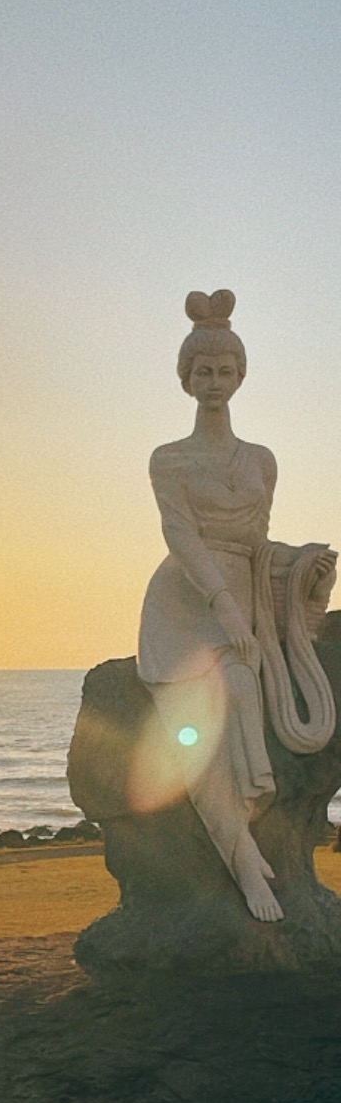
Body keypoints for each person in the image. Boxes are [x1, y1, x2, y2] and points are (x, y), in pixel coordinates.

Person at [137, 290, 336, 923]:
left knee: (246, 690)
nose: (214, 382)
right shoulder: (169, 459)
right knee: (196, 720)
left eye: (225, 371)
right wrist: (224, 609)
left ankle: (244, 825)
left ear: (240, 376)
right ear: (187, 380)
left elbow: (256, 543)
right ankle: (243, 858)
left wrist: (303, 566)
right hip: (184, 601)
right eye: (203, 372)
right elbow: (180, 537)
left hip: (242, 591)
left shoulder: (261, 461)